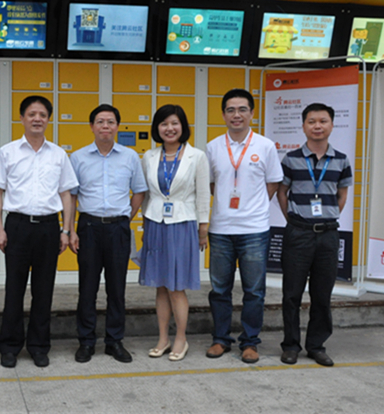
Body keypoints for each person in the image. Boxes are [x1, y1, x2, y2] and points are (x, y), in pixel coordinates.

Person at [0, 95, 78, 368]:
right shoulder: (8, 152)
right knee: (14, 290)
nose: (37, 119)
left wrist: (66, 230)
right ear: (22, 118)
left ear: (48, 119)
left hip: (49, 227)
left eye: (42, 115)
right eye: (32, 114)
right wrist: (0, 229)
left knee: (43, 290)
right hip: (17, 226)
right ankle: (9, 346)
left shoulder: (58, 154)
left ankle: (39, 346)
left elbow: (66, 194)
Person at [206, 89, 283, 363]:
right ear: (223, 114)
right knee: (219, 290)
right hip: (221, 229)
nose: (236, 115)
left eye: (242, 109)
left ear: (251, 113)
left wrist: (252, 207)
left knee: (254, 291)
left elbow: (273, 183)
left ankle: (250, 343)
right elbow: (212, 185)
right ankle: (221, 339)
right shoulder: (213, 147)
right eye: (230, 110)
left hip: (254, 230)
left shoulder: (265, 146)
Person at [68, 104, 147, 364]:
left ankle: (114, 341)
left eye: (110, 122)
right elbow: (71, 196)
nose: (105, 126)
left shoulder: (130, 156)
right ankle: (86, 341)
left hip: (118, 228)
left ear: (117, 126)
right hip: (88, 227)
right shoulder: (78, 157)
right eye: (100, 121)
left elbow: (139, 191)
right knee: (87, 288)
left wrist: (125, 219)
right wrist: (70, 230)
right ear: (92, 126)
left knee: (117, 288)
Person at [277, 103, 351, 367]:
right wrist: (294, 220)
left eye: (323, 121)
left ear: (331, 124)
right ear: (303, 126)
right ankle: (290, 346)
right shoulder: (290, 159)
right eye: (311, 121)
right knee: (291, 294)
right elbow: (282, 193)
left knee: (322, 294)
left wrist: (326, 217)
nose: (317, 126)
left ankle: (316, 346)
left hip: (328, 235)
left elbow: (342, 195)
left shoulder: (341, 160)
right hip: (298, 233)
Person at [140, 104, 210, 362]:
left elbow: (203, 193)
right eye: (164, 124)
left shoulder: (196, 156)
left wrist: (203, 227)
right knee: (160, 286)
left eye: (174, 123)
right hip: (155, 223)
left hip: (182, 223)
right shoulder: (149, 157)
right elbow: (147, 195)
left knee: (176, 286)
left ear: (183, 126)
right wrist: (145, 225)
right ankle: (163, 338)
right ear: (157, 128)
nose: (169, 128)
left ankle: (181, 337)